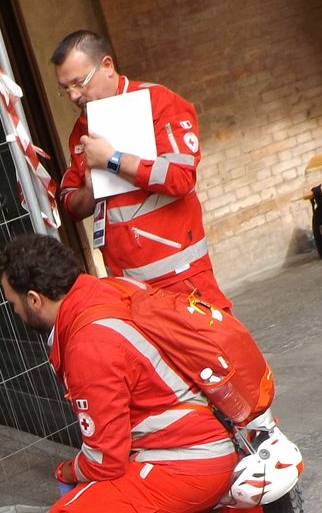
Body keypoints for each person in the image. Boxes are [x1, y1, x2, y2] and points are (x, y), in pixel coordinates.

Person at [0, 233, 309, 513]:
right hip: (214, 443)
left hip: (185, 462)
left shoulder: (88, 344)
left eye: (13, 304)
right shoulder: (111, 289)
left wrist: (67, 470)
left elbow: (105, 460)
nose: (15, 312)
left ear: (33, 299)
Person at [50, 29, 230, 309]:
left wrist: (113, 160)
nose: (74, 96)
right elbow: (71, 203)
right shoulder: (81, 130)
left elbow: (181, 177)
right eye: (66, 88)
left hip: (182, 278)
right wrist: (90, 189)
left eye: (79, 82)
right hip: (128, 290)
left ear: (107, 66)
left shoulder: (158, 102)